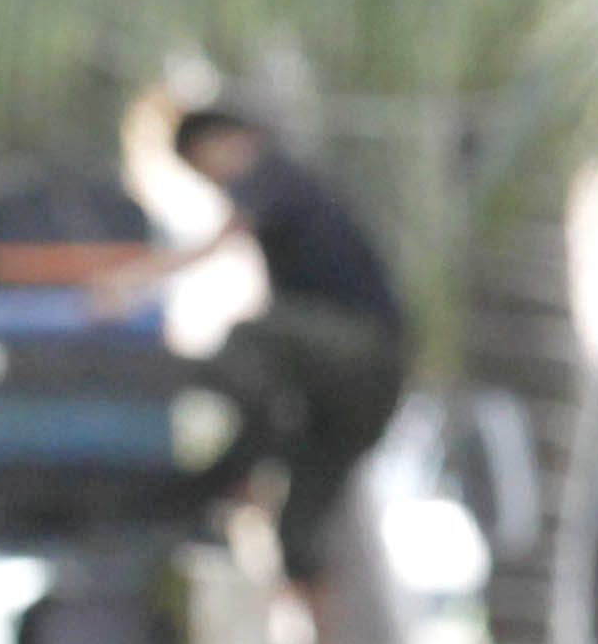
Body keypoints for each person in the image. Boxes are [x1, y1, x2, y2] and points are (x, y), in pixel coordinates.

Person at [138, 105, 411, 591]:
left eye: (209, 161)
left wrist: (131, 282)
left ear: (237, 137)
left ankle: (235, 444)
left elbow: (224, 242)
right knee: (297, 536)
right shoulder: (278, 185)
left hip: (365, 352)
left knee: (250, 338)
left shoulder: (275, 175)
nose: (216, 178)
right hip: (347, 407)